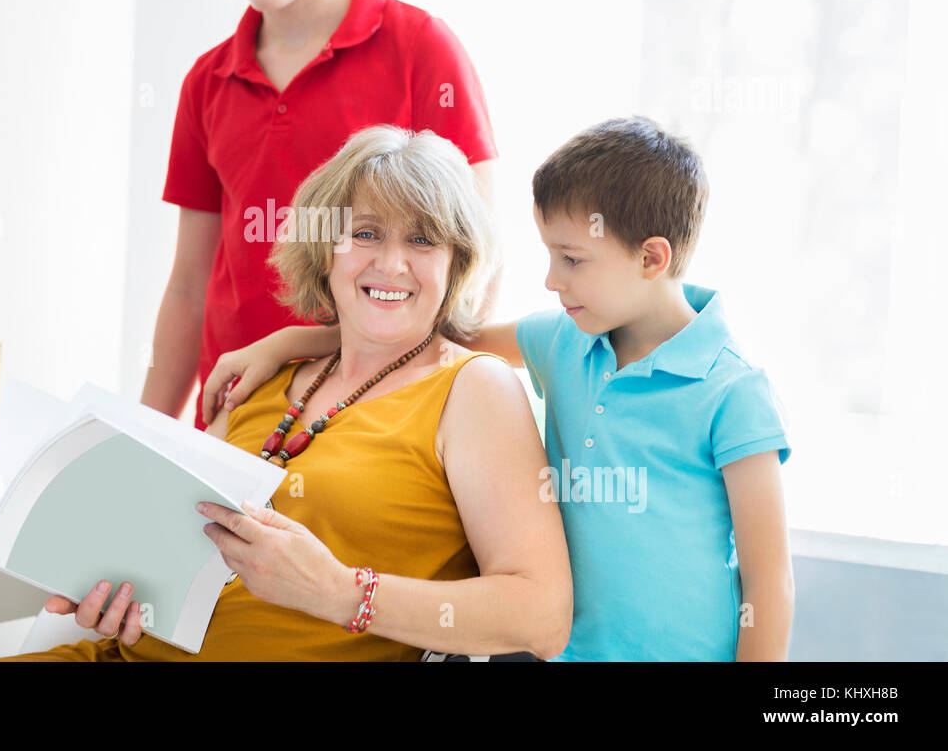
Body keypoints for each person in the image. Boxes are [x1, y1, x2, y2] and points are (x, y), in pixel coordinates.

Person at [202, 116, 794, 661]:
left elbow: (769, 582)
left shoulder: (732, 390)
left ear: (651, 258)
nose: (549, 279)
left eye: (571, 258)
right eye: (365, 234)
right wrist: (282, 344)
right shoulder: (567, 338)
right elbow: (426, 331)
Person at [0, 126, 571, 661]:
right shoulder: (266, 376)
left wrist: (340, 593)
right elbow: (166, 544)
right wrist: (108, 585)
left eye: (423, 240)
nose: (391, 263)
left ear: (457, 263)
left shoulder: (473, 389)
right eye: (365, 233)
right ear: (326, 251)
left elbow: (542, 617)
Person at [142, 0, 501, 433]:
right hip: (237, 416)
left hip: (375, 414)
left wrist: (433, 406)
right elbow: (188, 284)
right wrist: (146, 432)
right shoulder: (207, 80)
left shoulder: (421, 49)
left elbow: (478, 255)